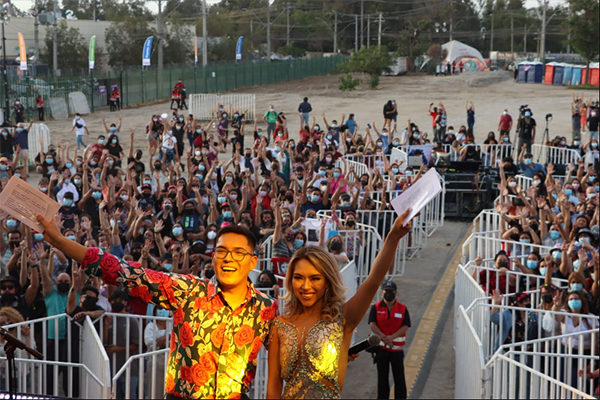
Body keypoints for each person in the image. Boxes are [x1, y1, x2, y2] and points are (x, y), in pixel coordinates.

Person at [37, 216, 278, 399]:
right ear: (213, 257)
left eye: (238, 253)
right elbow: (125, 273)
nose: (228, 259)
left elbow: (290, 360)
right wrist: (60, 241)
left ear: (253, 261)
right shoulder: (188, 290)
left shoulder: (267, 309)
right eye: (222, 252)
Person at [266, 210, 413, 399]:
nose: (305, 286)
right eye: (298, 278)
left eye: (315, 278)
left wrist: (393, 237)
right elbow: (273, 388)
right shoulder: (280, 326)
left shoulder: (342, 319)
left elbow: (373, 281)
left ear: (327, 281)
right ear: (290, 281)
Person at [369, 280, 411, 399]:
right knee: (382, 379)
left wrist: (391, 337)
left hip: (396, 351)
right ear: (382, 293)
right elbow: (372, 324)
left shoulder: (402, 308)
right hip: (381, 350)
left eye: (391, 292)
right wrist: (384, 337)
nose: (388, 294)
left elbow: (406, 326)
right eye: (386, 291)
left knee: (399, 378)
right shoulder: (376, 307)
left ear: (396, 293)